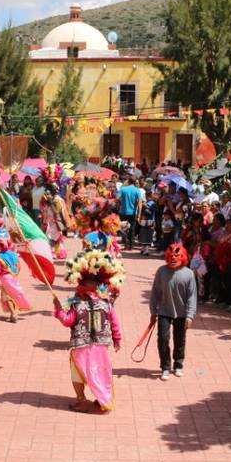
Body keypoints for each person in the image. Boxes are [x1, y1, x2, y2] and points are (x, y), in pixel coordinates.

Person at [52, 248, 124, 414]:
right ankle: (103, 400)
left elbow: (67, 320)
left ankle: (81, 400)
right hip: (101, 347)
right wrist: (117, 339)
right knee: (101, 372)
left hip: (82, 347)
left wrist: (58, 309)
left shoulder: (76, 303)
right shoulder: (106, 302)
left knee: (78, 372)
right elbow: (115, 323)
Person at [148, 243, 198, 380]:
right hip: (164, 311)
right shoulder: (161, 271)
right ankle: (165, 366)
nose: (173, 258)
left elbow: (192, 297)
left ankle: (178, 364)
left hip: (182, 314)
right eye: (171, 256)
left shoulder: (189, 274)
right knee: (163, 339)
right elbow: (155, 293)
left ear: (183, 257)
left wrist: (190, 316)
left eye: (177, 256)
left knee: (179, 340)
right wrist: (153, 312)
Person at [0, 238, 33, 323]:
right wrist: (14, 273)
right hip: (14, 277)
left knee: (7, 297)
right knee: (13, 295)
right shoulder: (14, 254)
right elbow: (19, 267)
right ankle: (12, 313)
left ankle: (13, 314)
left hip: (5, 279)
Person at [117, 177, 144, 250]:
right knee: (132, 229)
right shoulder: (137, 190)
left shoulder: (123, 189)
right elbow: (140, 203)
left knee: (123, 229)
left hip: (123, 212)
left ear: (128, 181)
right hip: (132, 213)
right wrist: (139, 214)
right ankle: (131, 246)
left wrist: (119, 207)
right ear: (135, 182)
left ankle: (126, 243)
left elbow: (117, 199)